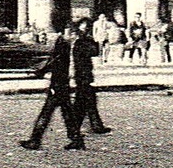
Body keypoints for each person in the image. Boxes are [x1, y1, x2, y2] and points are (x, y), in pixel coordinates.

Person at [21, 22, 84, 150]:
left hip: (59, 83)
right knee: (67, 113)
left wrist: (41, 71)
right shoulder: (65, 43)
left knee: (47, 112)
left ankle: (35, 140)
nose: (71, 36)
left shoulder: (66, 44)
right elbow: (55, 60)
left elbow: (54, 61)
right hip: (62, 82)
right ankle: (76, 139)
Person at [72, 17, 111, 134]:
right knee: (87, 102)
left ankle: (93, 126)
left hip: (83, 75)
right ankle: (93, 126)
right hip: (83, 75)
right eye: (84, 27)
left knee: (85, 102)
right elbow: (94, 52)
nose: (86, 29)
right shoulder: (81, 42)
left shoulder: (81, 41)